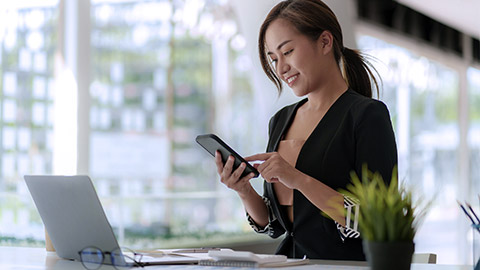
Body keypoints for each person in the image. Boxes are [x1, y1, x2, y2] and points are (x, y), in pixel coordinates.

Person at [214, 0, 397, 260]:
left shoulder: (367, 116)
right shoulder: (280, 120)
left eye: (287, 51)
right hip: (287, 263)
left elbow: (374, 221)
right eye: (273, 58)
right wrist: (243, 190)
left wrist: (299, 179)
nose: (280, 69)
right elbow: (274, 225)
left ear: (324, 42)